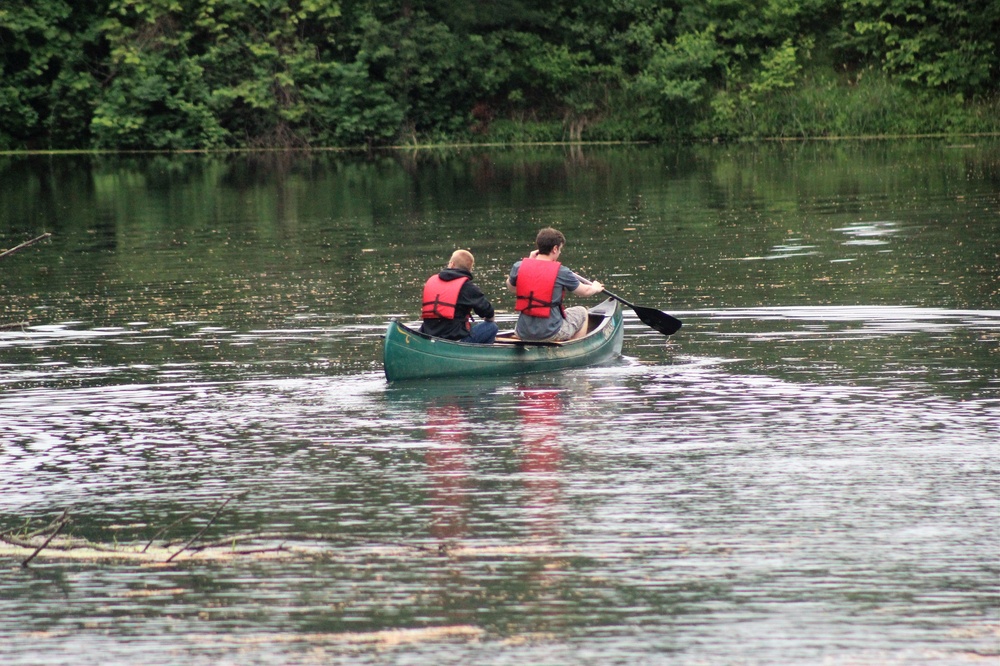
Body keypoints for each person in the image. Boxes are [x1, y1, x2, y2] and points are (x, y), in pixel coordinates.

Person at [506, 227, 604, 342]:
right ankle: (572, 350)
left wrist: (529, 260)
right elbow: (585, 292)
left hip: (523, 332)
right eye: (560, 249)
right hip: (550, 333)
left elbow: (512, 288)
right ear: (555, 249)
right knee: (582, 312)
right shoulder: (562, 272)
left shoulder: (519, 266)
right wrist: (595, 288)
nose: (560, 252)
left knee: (566, 314)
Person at [420, 249, 498, 344]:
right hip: (455, 341)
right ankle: (481, 356)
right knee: (491, 327)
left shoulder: (432, 282)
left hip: (428, 337)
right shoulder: (468, 287)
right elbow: (489, 314)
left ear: (452, 264)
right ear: (470, 269)